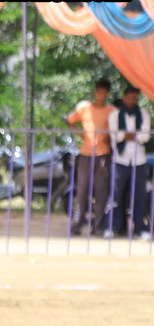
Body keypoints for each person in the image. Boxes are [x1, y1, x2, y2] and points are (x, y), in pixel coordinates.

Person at [66, 78, 117, 236]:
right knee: (82, 192)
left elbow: (115, 131)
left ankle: (99, 227)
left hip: (103, 155)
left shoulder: (112, 111)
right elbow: (70, 120)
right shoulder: (84, 108)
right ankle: (76, 226)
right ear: (95, 92)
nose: (100, 95)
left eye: (103, 92)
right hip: (85, 154)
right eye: (98, 92)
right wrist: (81, 134)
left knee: (101, 193)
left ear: (107, 94)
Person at [108, 84, 152, 239]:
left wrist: (125, 135)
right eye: (129, 98)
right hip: (120, 159)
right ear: (124, 98)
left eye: (134, 98)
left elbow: (145, 137)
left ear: (137, 99)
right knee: (116, 194)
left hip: (139, 160)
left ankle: (139, 228)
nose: (131, 100)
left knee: (139, 195)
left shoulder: (144, 115)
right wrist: (134, 135)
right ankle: (113, 226)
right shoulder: (114, 115)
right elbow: (114, 136)